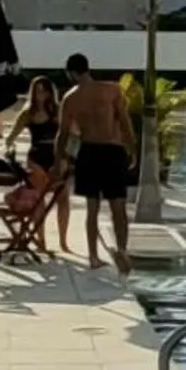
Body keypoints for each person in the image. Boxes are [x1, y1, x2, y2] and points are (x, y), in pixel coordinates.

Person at [57, 53, 136, 274]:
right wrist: (133, 149)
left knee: (92, 208)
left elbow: (62, 134)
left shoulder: (70, 98)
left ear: (71, 73)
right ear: (88, 68)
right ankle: (122, 249)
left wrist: (58, 160)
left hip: (89, 151)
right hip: (113, 150)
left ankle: (93, 257)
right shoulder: (111, 90)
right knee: (118, 207)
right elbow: (125, 122)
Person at [8, 76, 69, 253]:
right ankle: (41, 240)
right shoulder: (27, 114)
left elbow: (69, 134)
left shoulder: (58, 111)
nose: (40, 94)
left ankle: (63, 242)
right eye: (37, 90)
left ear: (50, 92)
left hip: (57, 157)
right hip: (36, 159)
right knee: (39, 198)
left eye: (44, 90)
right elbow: (11, 136)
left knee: (63, 198)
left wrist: (67, 157)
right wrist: (10, 152)